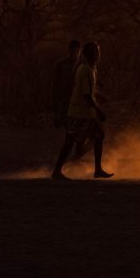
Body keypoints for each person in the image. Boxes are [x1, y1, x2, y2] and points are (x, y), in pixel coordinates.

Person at [52, 42, 113, 180]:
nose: (99, 55)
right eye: (96, 52)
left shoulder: (90, 68)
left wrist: (100, 99)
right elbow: (86, 95)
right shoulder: (84, 69)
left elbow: (89, 92)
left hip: (87, 113)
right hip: (79, 113)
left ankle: (97, 169)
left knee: (99, 136)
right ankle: (57, 171)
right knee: (70, 141)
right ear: (91, 54)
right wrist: (99, 110)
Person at [53, 40, 81, 127]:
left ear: (79, 51)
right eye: (73, 51)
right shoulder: (61, 65)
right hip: (65, 99)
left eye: (77, 51)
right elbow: (56, 85)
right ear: (69, 51)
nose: (75, 53)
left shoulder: (83, 65)